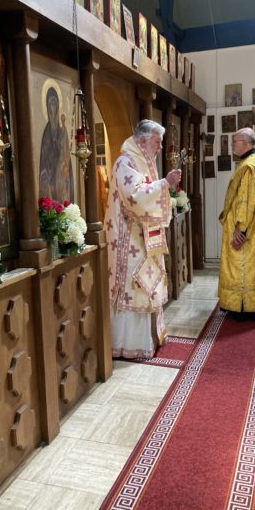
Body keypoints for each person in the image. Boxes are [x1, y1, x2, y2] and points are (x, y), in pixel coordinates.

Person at [105, 119, 182, 358]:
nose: (160, 147)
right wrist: (165, 183)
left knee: (147, 285)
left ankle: (150, 338)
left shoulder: (143, 161)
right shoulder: (125, 162)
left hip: (144, 237)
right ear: (143, 140)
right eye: (157, 142)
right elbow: (135, 197)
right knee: (135, 286)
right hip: (129, 239)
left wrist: (164, 184)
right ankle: (128, 344)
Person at [218, 127, 255, 320]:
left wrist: (240, 229)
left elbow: (247, 201)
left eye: (234, 142)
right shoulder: (254, 161)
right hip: (253, 227)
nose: (232, 145)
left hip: (246, 229)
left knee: (241, 266)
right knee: (250, 267)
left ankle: (242, 307)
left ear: (244, 143)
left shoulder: (249, 167)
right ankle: (245, 305)